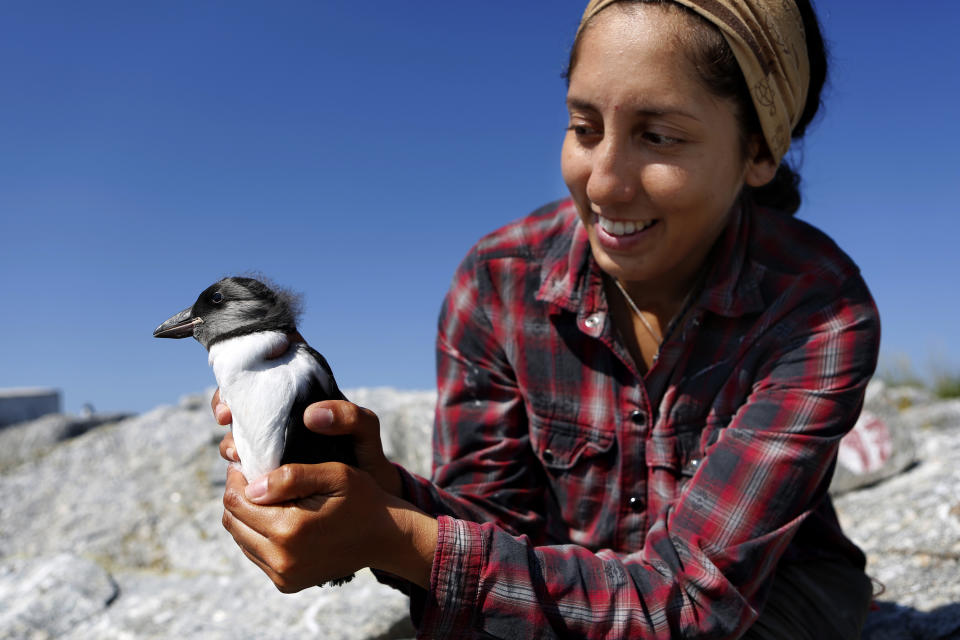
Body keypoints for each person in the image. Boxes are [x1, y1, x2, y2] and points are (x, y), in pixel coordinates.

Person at [215, 0, 880, 637]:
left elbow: (692, 605)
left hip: (767, 605)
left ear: (760, 151)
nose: (604, 182)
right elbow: (492, 524)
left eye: (660, 137)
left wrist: (400, 538)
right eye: (584, 128)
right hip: (559, 602)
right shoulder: (499, 283)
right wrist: (376, 491)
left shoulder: (818, 314)